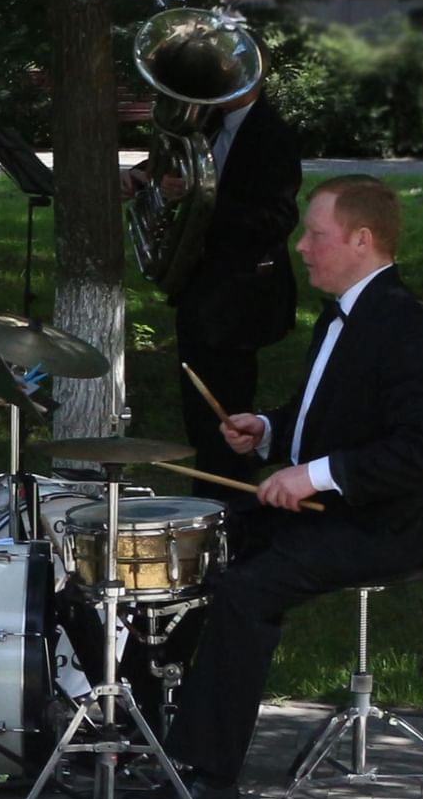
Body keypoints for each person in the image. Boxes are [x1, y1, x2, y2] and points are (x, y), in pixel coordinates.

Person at [123, 176, 423, 799]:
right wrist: (270, 429)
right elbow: (330, 414)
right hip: (320, 510)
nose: (301, 247)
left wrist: (316, 474)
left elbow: (422, 453)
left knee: (246, 592)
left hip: (376, 527)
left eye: (316, 234)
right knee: (171, 553)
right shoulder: (344, 318)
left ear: (362, 240)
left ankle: (209, 785)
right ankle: (144, 738)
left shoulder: (411, 329)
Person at [121, 57, 302, 490]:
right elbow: (177, 169)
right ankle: (212, 493)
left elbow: (277, 218)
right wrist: (151, 181)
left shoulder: (271, 133)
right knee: (199, 410)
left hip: (241, 293)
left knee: (226, 410)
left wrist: (205, 199)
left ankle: (228, 500)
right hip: (201, 285)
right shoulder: (210, 122)